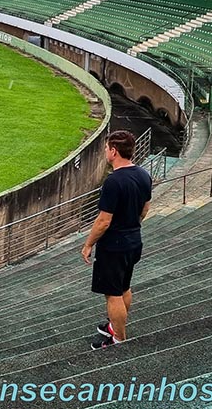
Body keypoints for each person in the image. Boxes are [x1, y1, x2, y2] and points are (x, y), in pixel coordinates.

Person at [81, 130, 152, 349]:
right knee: (124, 287)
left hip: (114, 246)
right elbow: (145, 209)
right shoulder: (143, 175)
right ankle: (114, 326)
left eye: (106, 148)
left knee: (112, 294)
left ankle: (118, 338)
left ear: (114, 151)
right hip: (133, 240)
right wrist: (130, 223)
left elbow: (103, 220)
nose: (104, 152)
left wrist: (88, 244)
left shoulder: (113, 182)